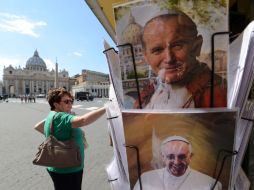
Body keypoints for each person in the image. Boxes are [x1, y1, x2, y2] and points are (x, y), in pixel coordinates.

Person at [134, 10, 227, 109]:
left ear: (197, 46)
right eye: (157, 50)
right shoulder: (145, 97)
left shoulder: (219, 92)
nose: (169, 59)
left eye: (177, 46)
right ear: (146, 57)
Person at [34, 87, 106, 190]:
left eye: (71, 100)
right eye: (66, 101)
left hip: (57, 167)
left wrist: (56, 138)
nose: (70, 104)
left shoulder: (52, 115)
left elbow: (37, 126)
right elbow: (83, 120)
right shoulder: (60, 117)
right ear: (56, 104)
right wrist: (107, 108)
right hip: (69, 168)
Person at [133, 135, 222, 190]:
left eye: (182, 157)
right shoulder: (146, 179)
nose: (176, 162)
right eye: (171, 157)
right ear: (163, 157)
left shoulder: (210, 184)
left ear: (190, 157)